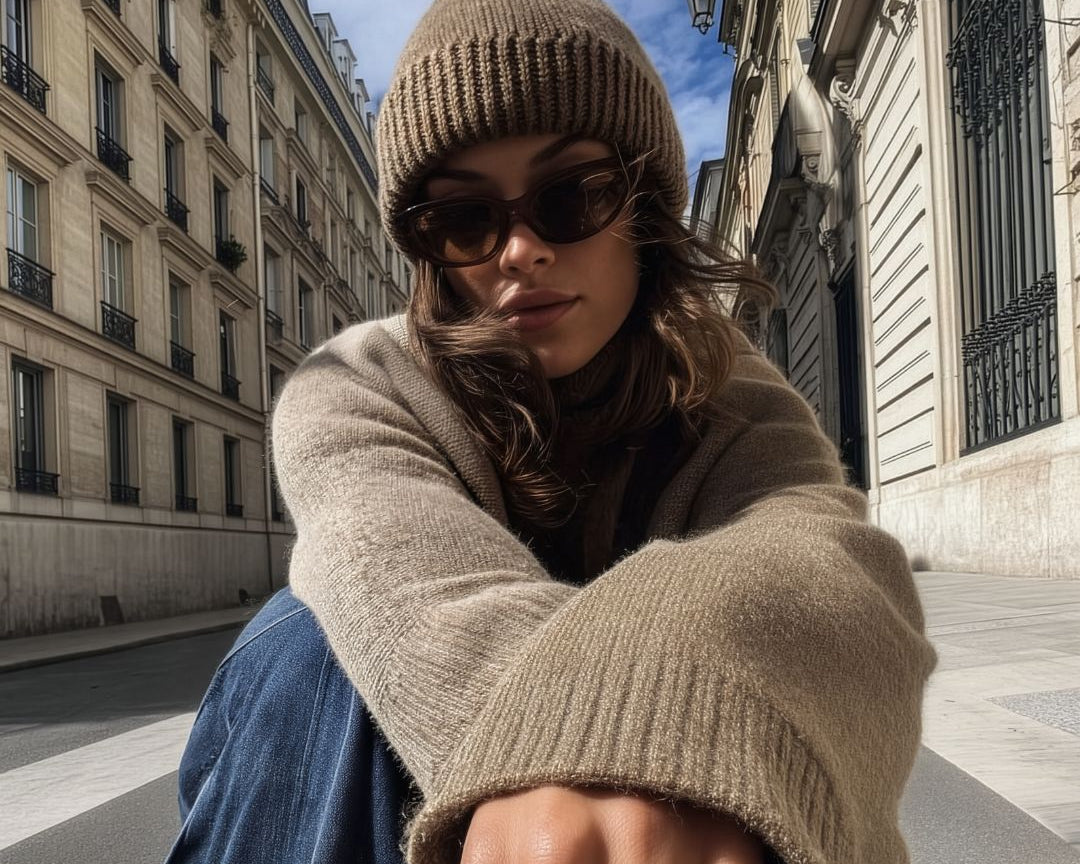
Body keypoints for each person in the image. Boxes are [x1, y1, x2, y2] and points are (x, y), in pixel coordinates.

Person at [164, 1, 937, 863]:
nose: (521, 250)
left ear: (643, 207)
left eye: (571, 196)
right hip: (332, 766)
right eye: (464, 220)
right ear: (429, 251)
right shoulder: (354, 385)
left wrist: (640, 688)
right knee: (311, 645)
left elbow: (823, 560)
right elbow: (412, 591)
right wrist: (626, 747)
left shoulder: (732, 397)